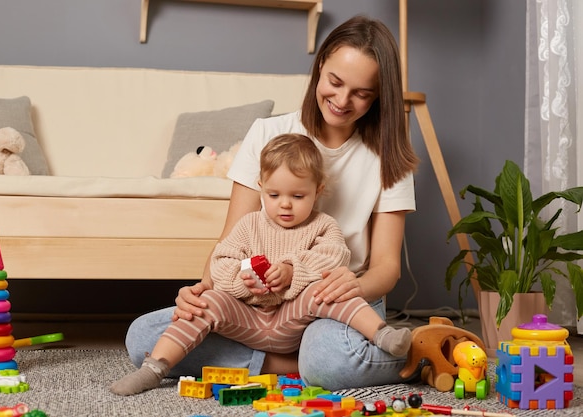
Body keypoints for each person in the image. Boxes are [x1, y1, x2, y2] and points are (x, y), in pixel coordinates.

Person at [124, 15, 419, 391]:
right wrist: (202, 290)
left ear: (379, 96)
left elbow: (386, 268)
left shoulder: (388, 157)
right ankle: (292, 363)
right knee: (142, 338)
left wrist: (347, 289)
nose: (343, 101)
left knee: (327, 357)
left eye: (362, 93)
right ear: (320, 65)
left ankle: (412, 353)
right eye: (335, 82)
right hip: (256, 303)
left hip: (337, 298)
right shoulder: (267, 132)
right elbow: (232, 239)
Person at [110, 134, 411, 396]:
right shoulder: (249, 224)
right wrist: (244, 281)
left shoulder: (323, 226)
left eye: (297, 195)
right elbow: (222, 260)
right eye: (274, 194)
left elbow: (334, 257)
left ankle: (381, 334)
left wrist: (293, 271)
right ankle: (154, 368)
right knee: (207, 301)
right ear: (261, 187)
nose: (285, 204)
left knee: (327, 290)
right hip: (249, 319)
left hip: (293, 320)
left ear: (318, 191)